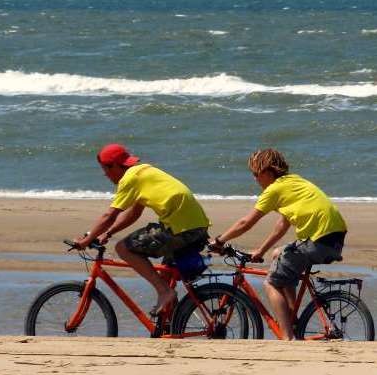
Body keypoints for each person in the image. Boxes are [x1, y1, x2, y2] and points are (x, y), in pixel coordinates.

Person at [211, 148, 346, 340]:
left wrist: (219, 241)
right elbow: (282, 225)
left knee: (271, 283)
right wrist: (261, 251)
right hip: (333, 239)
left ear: (267, 172)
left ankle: (287, 338)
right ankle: (292, 317)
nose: (255, 179)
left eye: (256, 174)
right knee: (278, 254)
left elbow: (245, 223)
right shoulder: (294, 181)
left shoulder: (274, 189)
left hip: (317, 240)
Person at [74, 143, 210, 316]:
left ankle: (164, 292)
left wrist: (86, 240)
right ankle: (171, 324)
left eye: (105, 170)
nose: (105, 175)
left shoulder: (129, 178)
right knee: (165, 275)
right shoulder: (144, 172)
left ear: (114, 166)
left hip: (180, 229)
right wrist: (107, 233)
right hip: (196, 227)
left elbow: (110, 215)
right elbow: (134, 213)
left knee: (123, 248)